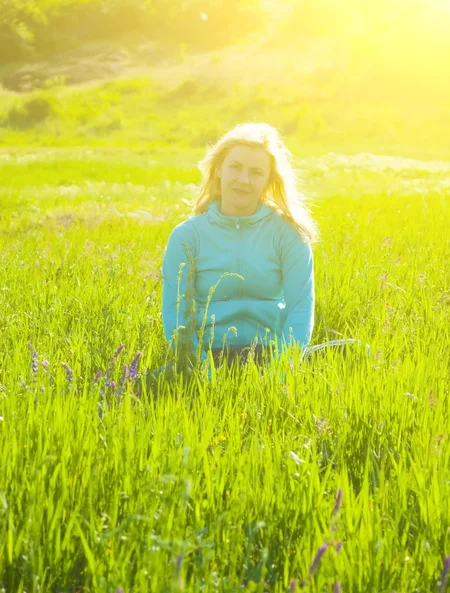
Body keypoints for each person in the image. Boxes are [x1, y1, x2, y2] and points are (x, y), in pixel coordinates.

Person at [139, 123, 369, 394]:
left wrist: (280, 370)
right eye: (235, 167)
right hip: (208, 356)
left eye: (256, 172)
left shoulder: (289, 234)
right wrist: (203, 371)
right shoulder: (187, 236)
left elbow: (300, 308)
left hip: (272, 355)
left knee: (356, 353)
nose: (243, 180)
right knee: (133, 388)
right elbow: (176, 315)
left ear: (268, 181)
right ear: (219, 170)